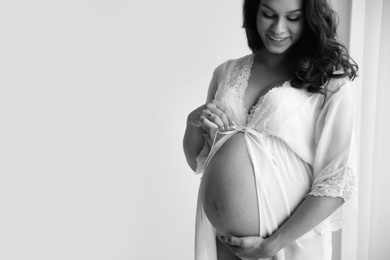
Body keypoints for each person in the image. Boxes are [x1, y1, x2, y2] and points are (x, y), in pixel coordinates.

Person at [183, 0, 358, 259]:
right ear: (254, 11)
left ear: (309, 19)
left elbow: (337, 183)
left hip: (287, 244)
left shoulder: (329, 82)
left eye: (293, 18)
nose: (278, 28)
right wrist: (192, 123)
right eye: (268, 14)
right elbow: (199, 161)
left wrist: (272, 245)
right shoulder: (226, 72)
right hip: (221, 242)